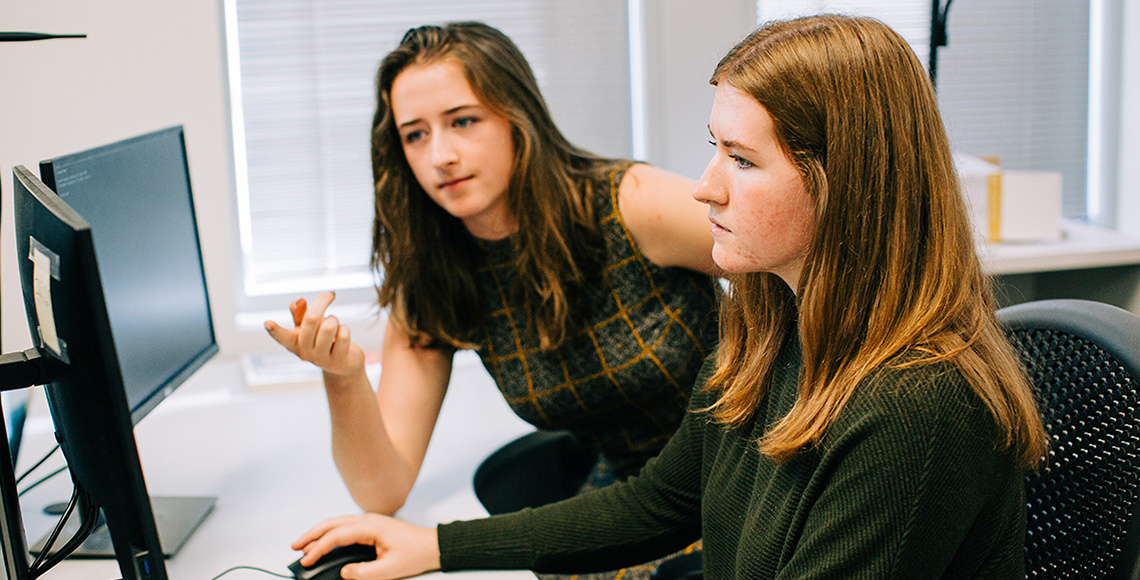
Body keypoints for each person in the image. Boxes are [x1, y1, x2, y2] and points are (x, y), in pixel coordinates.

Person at [286, 14, 1051, 580]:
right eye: (713, 146)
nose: (706, 186)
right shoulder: (768, 321)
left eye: (742, 159)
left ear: (846, 183)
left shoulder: (913, 408)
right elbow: (658, 503)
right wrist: (437, 547)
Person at [264, 20, 719, 580]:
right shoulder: (438, 275)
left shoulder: (631, 205)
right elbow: (381, 490)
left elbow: (808, 262)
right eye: (415, 135)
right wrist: (345, 375)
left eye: (463, 121)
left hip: (748, 471)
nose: (440, 156)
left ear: (516, 118)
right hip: (630, 498)